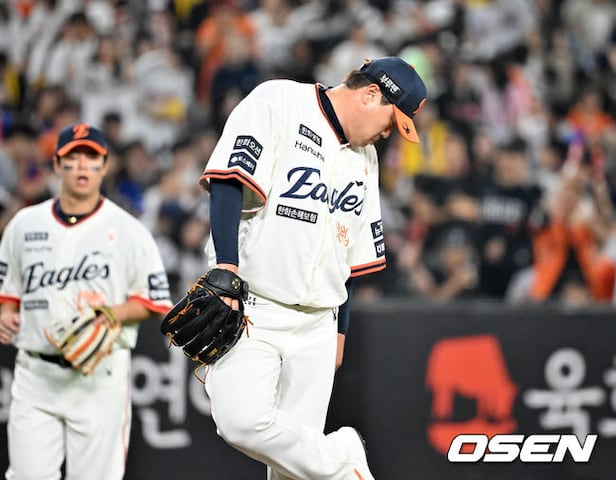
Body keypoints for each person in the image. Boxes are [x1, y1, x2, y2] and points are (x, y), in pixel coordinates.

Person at [198, 56, 426, 479]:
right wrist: (226, 267)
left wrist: (340, 331)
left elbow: (350, 256)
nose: (389, 133)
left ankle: (334, 461)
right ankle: (342, 457)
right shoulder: (279, 101)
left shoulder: (366, 159)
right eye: (392, 122)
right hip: (255, 307)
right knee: (240, 421)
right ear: (369, 95)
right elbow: (229, 180)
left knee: (293, 470)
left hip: (320, 324)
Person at [0, 123, 173, 479]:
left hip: (99, 376)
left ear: (105, 166)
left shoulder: (129, 230)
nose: (82, 166)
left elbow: (155, 302)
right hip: (36, 373)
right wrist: (6, 312)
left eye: (91, 158)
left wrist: (108, 313)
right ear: (56, 164)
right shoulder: (23, 225)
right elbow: (9, 291)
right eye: (73, 157)